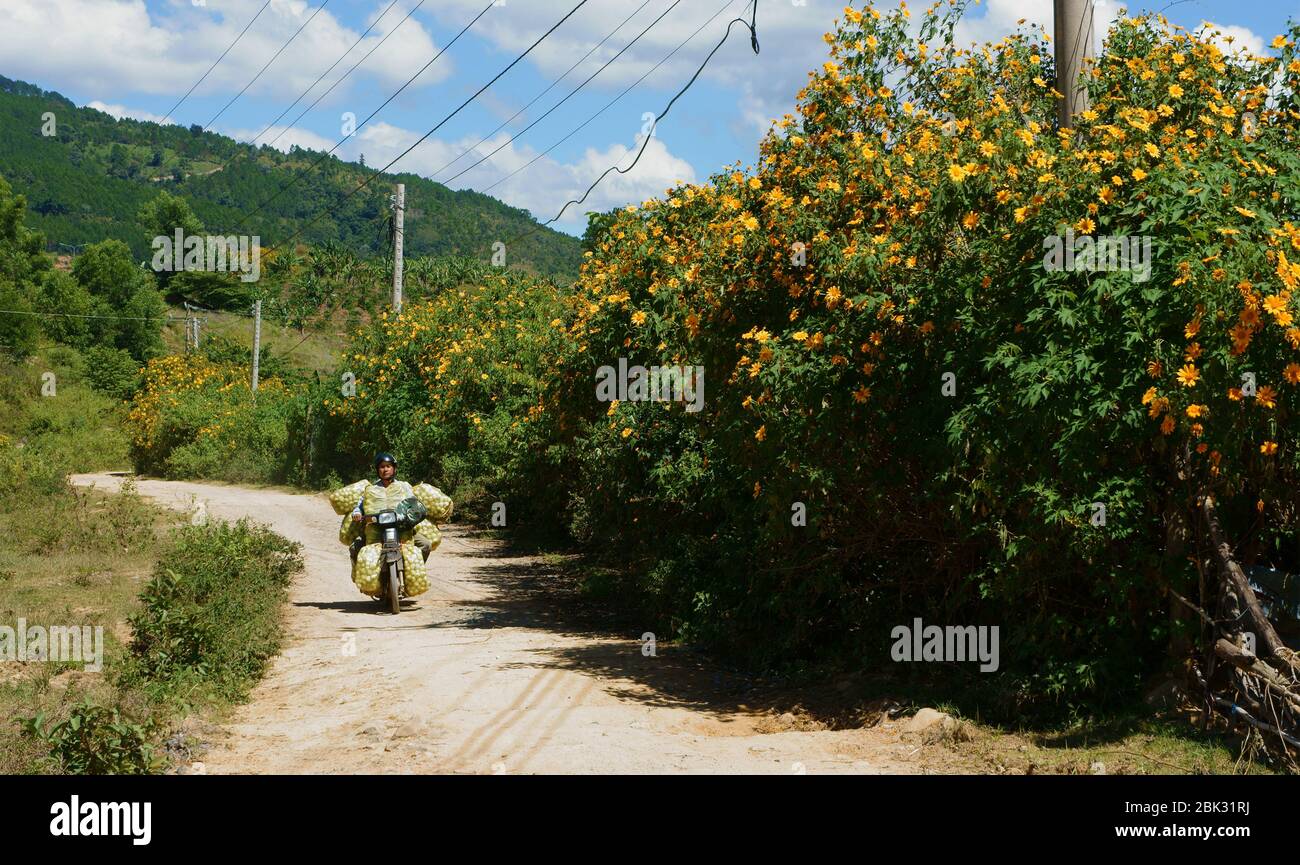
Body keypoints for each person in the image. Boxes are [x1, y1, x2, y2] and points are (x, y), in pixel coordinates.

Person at [349, 452, 433, 563]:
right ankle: (361, 577)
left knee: (426, 545)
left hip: (402, 528)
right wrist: (357, 513)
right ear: (377, 470)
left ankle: (413, 569)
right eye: (382, 467)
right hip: (376, 529)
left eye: (388, 466)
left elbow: (413, 502)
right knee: (355, 548)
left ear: (394, 468)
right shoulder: (371, 489)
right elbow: (360, 506)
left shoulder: (403, 487)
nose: (385, 470)